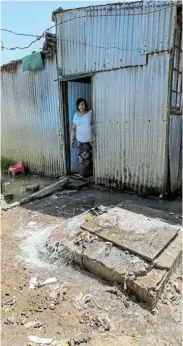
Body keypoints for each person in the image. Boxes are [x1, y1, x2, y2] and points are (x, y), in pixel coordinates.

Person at [71, 98, 92, 178]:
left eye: (82, 104)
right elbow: (73, 128)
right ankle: (83, 175)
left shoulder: (90, 113)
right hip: (80, 140)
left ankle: (90, 174)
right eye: (79, 105)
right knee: (82, 159)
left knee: (89, 158)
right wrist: (72, 139)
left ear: (85, 104)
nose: (81, 106)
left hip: (89, 141)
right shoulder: (75, 115)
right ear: (77, 106)